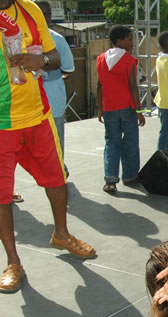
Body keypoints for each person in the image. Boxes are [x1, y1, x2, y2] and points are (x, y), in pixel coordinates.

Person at [0, 0, 96, 293]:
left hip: (37, 117)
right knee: (2, 196)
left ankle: (61, 234)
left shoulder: (30, 10)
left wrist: (38, 61)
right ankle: (13, 261)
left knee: (57, 179)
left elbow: (54, 57)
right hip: (2, 125)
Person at [97, 25, 145, 193]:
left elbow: (99, 86)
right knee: (131, 141)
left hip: (109, 107)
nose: (132, 42)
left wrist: (100, 108)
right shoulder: (129, 60)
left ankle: (110, 180)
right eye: (130, 39)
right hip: (127, 107)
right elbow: (133, 86)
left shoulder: (101, 59)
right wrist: (139, 112)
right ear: (120, 41)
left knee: (111, 141)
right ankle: (130, 176)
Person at [37, 1, 74, 160]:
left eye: (48, 14)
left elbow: (68, 68)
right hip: (29, 100)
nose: (46, 17)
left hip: (53, 98)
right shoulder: (20, 38)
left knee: (56, 137)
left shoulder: (57, 40)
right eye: (42, 13)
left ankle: (59, 171)